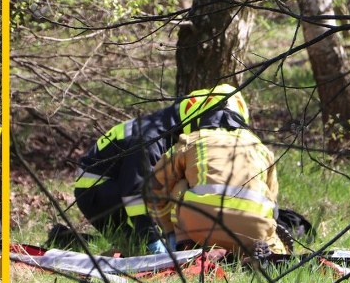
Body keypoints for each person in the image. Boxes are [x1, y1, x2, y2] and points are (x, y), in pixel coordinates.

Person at [75, 84, 251, 254]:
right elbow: (135, 192)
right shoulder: (152, 137)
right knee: (138, 249)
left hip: (117, 187)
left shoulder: (169, 129)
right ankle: (146, 243)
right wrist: (153, 240)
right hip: (99, 192)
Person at [148, 88, 287, 256]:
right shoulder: (261, 148)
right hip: (254, 232)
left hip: (200, 229)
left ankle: (185, 246)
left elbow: (155, 186)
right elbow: (273, 205)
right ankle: (270, 254)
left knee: (179, 184)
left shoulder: (192, 140)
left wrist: (168, 230)